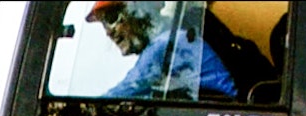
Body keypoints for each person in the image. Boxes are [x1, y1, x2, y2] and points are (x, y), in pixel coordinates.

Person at [87, 0, 238, 100]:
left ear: (140, 9)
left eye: (112, 18)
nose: (108, 32)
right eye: (103, 25)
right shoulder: (173, 41)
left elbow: (113, 105)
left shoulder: (166, 46)